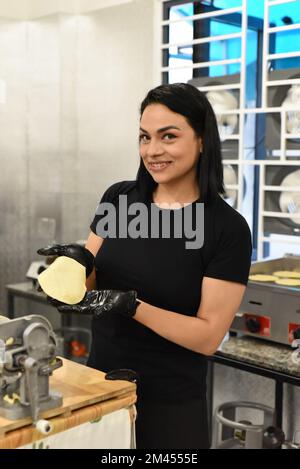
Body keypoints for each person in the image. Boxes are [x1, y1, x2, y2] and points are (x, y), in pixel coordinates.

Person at [38, 83, 252, 449]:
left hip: (170, 404)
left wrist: (131, 306)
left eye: (168, 136)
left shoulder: (226, 228)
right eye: (144, 137)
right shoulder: (119, 198)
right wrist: (75, 262)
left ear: (202, 140)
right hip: (100, 388)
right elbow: (87, 284)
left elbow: (208, 336)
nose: (152, 151)